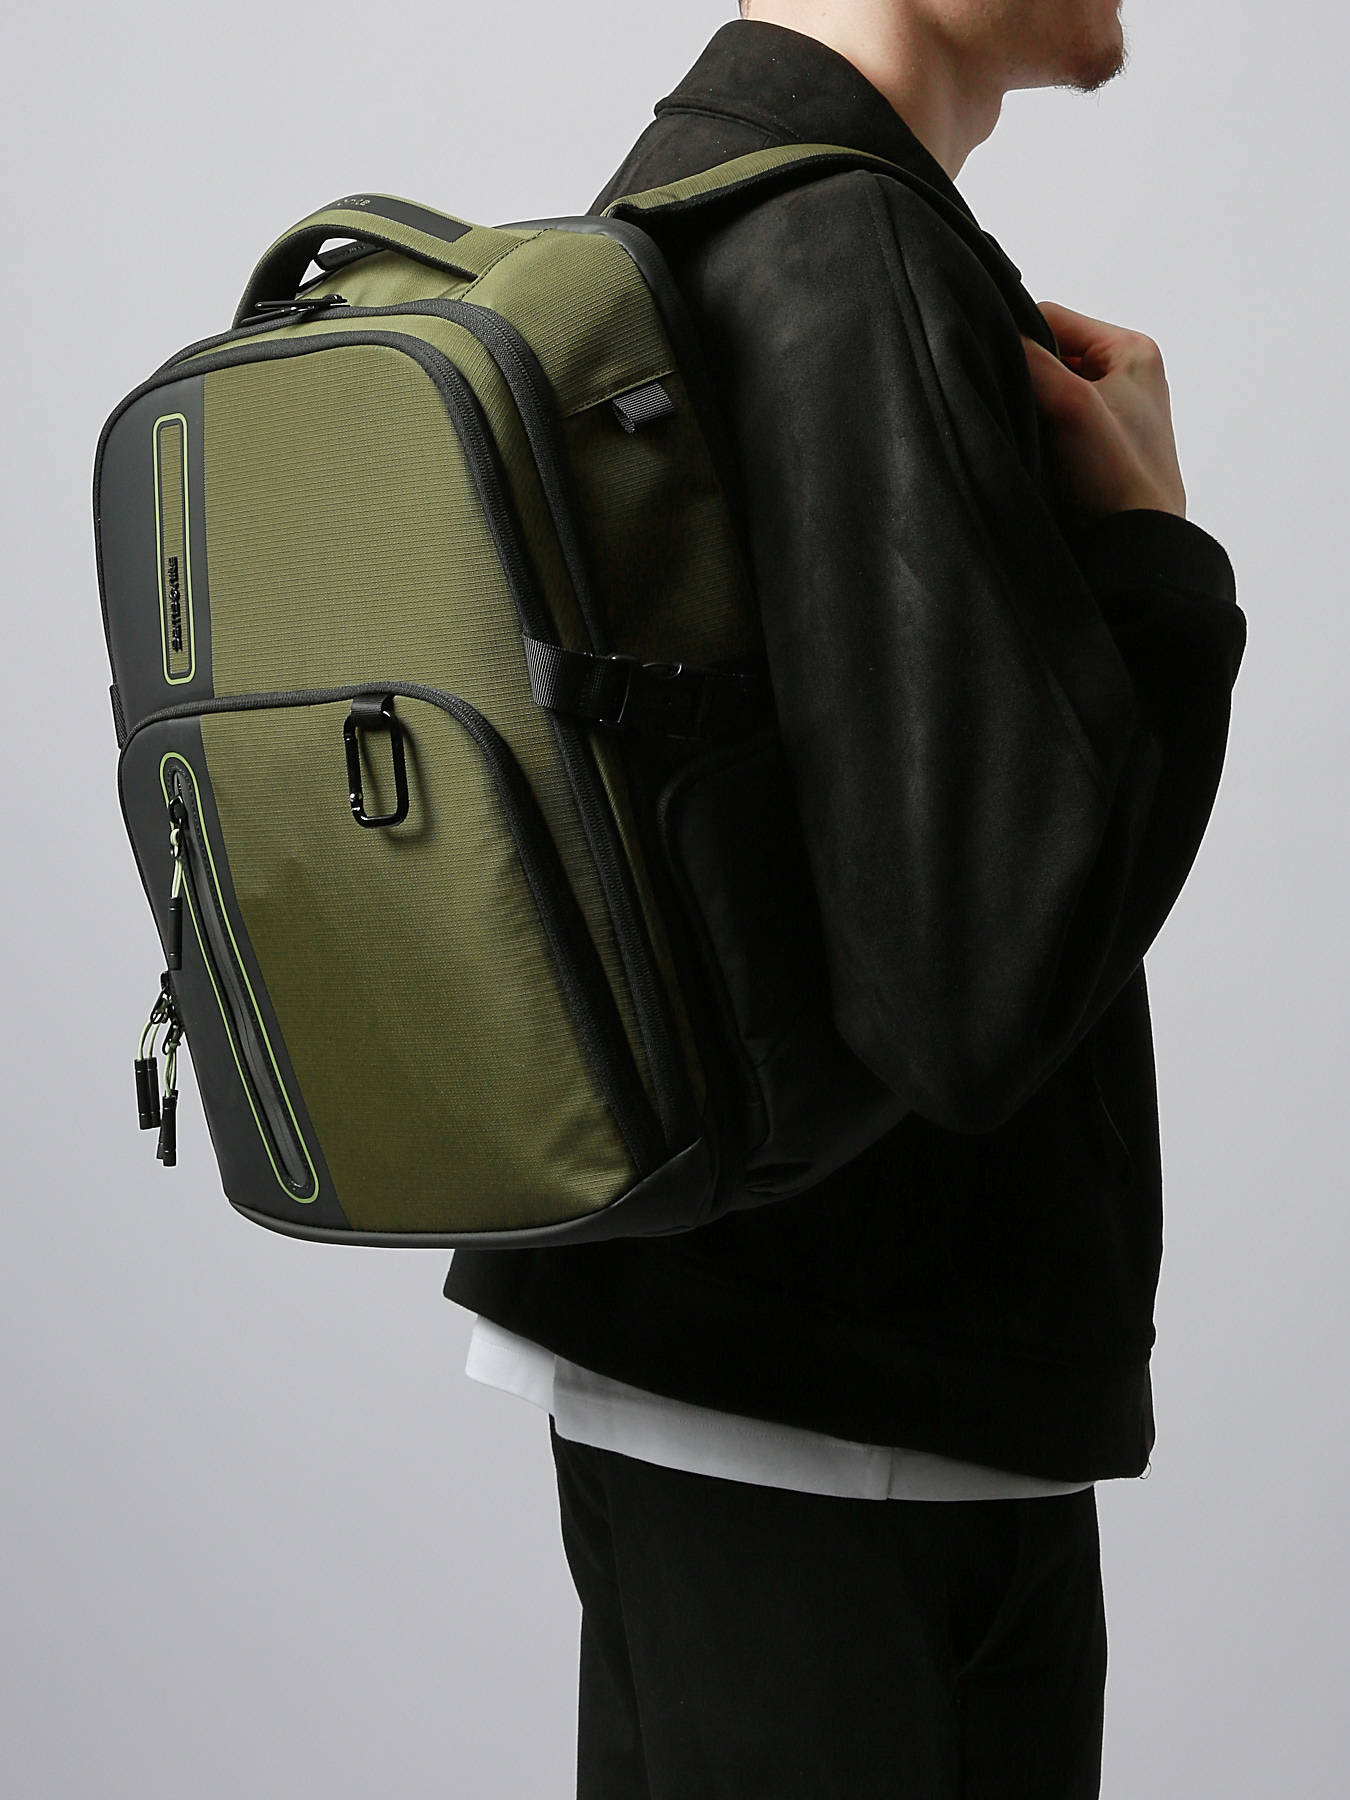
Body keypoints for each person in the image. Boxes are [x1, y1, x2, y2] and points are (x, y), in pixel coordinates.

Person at [444, 4, 1248, 1794]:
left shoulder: (690, 195)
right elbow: (971, 998)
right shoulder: (846, 245)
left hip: (747, 1374)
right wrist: (1158, 564)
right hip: (850, 1438)